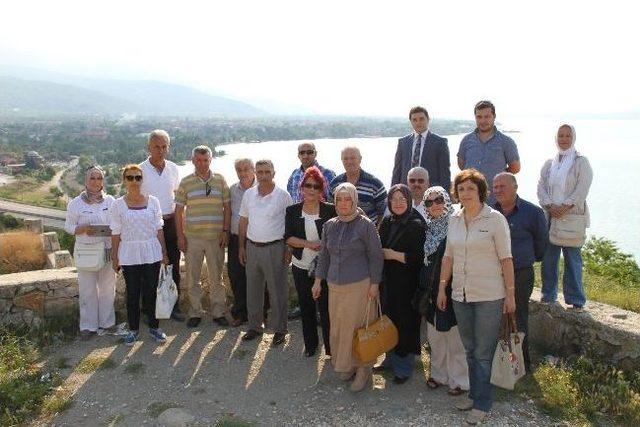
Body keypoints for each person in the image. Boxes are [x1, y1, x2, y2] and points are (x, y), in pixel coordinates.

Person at [437, 168, 516, 425]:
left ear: (481, 191)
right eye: (461, 189)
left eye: (471, 188)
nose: (466, 193)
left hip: (490, 296)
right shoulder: (454, 219)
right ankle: (474, 394)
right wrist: (442, 288)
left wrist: (510, 296)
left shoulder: (494, 219)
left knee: (482, 353)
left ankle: (482, 403)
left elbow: (506, 259)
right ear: (456, 193)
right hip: (461, 295)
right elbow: (448, 256)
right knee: (470, 350)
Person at [312, 182, 384, 393]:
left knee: (360, 328)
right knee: (340, 328)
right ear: (334, 202)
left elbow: (376, 256)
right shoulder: (329, 225)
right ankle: (349, 364)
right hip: (335, 286)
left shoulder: (365, 225)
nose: (343, 203)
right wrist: (318, 281)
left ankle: (364, 368)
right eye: (339, 199)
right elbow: (324, 256)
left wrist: (375, 284)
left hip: (360, 285)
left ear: (354, 200)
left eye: (348, 199)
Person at [493, 172, 547, 371]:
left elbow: (541, 245)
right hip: (494, 273)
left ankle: (521, 364)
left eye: (502, 186)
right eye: (495, 186)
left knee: (518, 316)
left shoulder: (532, 212)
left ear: (515, 186)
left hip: (520, 273)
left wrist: (525, 258)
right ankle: (499, 362)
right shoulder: (490, 211)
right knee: (495, 317)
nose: (498, 190)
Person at [418, 186, 469, 396]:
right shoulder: (428, 228)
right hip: (430, 290)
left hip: (452, 288)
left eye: (438, 200)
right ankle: (439, 375)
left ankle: (460, 380)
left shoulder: (457, 227)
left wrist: (444, 288)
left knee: (455, 337)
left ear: (447, 201)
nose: (434, 205)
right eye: (429, 203)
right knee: (436, 335)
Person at [110, 164, 169, 346]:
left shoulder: (153, 202)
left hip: (151, 252)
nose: (134, 181)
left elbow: (159, 229)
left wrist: (164, 252)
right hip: (129, 254)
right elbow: (115, 233)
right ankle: (134, 330)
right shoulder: (118, 204)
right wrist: (115, 258)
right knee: (133, 294)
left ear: (142, 179)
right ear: (124, 180)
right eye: (130, 177)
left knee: (152, 292)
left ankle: (154, 327)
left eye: (137, 177)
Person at [537, 124, 593, 310]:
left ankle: (576, 299)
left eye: (568, 135)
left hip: (572, 216)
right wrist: (550, 205)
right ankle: (548, 294)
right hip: (551, 216)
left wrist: (565, 206)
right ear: (556, 137)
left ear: (573, 138)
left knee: (573, 258)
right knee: (549, 258)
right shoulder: (549, 164)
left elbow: (582, 189)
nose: (564, 139)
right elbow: (541, 187)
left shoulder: (580, 162)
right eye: (560, 135)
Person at [175, 145, 231, 328]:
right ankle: (195, 311)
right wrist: (181, 237)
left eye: (205, 160)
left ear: (210, 160)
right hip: (193, 238)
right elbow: (178, 212)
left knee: (217, 277)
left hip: (216, 237)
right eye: (198, 160)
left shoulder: (221, 180)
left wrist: (225, 231)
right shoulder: (185, 182)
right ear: (193, 161)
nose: (202, 163)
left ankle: (218, 311)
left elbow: (228, 208)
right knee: (193, 277)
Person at [238, 159, 293, 346]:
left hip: (275, 248)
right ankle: (254, 326)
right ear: (255, 173)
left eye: (266, 172)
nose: (263, 175)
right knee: (253, 290)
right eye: (259, 172)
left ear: (273, 173)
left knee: (277, 291)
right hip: (252, 247)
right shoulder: (248, 195)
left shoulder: (283, 196)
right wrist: (241, 246)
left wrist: (289, 248)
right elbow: (243, 221)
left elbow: (290, 225)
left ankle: (279, 329)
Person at [376, 184, 425, 383]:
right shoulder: (387, 221)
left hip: (408, 283)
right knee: (389, 319)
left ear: (409, 200)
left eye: (402, 199)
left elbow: (419, 257)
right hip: (388, 281)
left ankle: (404, 368)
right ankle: (390, 359)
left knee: (406, 323)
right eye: (393, 199)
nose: (397, 203)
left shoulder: (416, 223)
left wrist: (393, 255)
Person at [285, 166, 336, 357]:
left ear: (321, 189)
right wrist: (309, 244)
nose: (311, 189)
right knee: (306, 307)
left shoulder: (330, 210)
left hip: (324, 269)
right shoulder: (292, 211)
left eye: (316, 186)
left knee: (326, 309)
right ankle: (311, 345)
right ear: (302, 187)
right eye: (308, 185)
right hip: (300, 266)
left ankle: (331, 348)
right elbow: (288, 237)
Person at [64, 165, 116, 339]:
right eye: (92, 178)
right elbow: (68, 226)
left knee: (108, 288)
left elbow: (117, 224)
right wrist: (81, 228)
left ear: (103, 181)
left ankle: (107, 323)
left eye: (99, 178)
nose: (96, 181)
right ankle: (88, 326)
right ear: (86, 180)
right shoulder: (75, 203)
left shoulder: (111, 201)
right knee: (87, 290)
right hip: (86, 252)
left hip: (107, 250)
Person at [139, 129, 183, 321]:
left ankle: (174, 306)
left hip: (171, 221)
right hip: (148, 224)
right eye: (157, 146)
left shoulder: (173, 168)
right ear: (149, 147)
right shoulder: (140, 170)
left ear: (169, 147)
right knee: (149, 266)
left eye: (164, 146)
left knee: (173, 264)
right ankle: (149, 309)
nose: (161, 150)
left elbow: (179, 198)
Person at [457, 100, 520, 205]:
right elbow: (462, 165)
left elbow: (515, 168)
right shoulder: (466, 140)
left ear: (494, 116)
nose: (483, 121)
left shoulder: (506, 141)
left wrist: (497, 176)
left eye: (487, 116)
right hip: (469, 200)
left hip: (496, 201)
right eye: (479, 117)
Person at [392, 106, 451, 189]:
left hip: (430, 192)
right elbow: (397, 171)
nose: (418, 122)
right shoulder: (403, 142)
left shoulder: (440, 142)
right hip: (407, 191)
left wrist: (444, 194)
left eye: (421, 119)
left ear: (428, 119)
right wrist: (393, 191)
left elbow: (444, 173)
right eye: (414, 120)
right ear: (411, 121)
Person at [228, 158, 257, 326]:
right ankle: (240, 313)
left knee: (257, 277)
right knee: (236, 276)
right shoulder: (233, 190)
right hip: (235, 238)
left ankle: (259, 313)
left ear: (253, 169)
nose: (243, 172)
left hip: (255, 238)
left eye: (246, 168)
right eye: (239, 169)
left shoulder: (261, 189)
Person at [329, 146, 387, 224]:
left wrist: (376, 231)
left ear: (360, 159)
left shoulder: (375, 184)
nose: (349, 162)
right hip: (342, 232)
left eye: (352, 158)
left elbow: (383, 212)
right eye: (345, 159)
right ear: (341, 160)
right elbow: (331, 210)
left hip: (368, 233)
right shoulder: (335, 183)